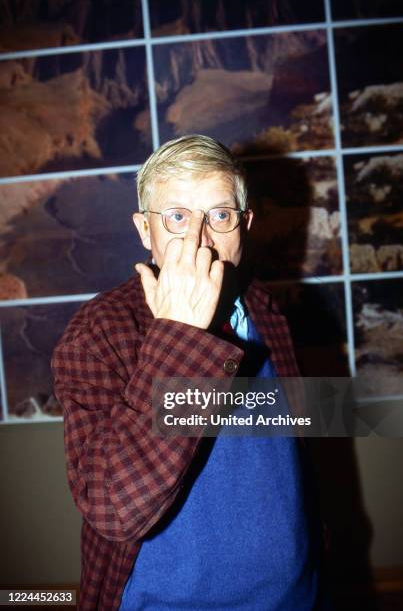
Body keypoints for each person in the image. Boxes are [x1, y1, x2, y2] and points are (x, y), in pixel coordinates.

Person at [52, 135, 326, 610]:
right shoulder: (100, 332)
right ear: (144, 230)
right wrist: (181, 336)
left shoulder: (267, 309)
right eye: (177, 216)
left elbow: (293, 448)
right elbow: (114, 509)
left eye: (219, 215)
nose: (200, 238)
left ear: (245, 226)